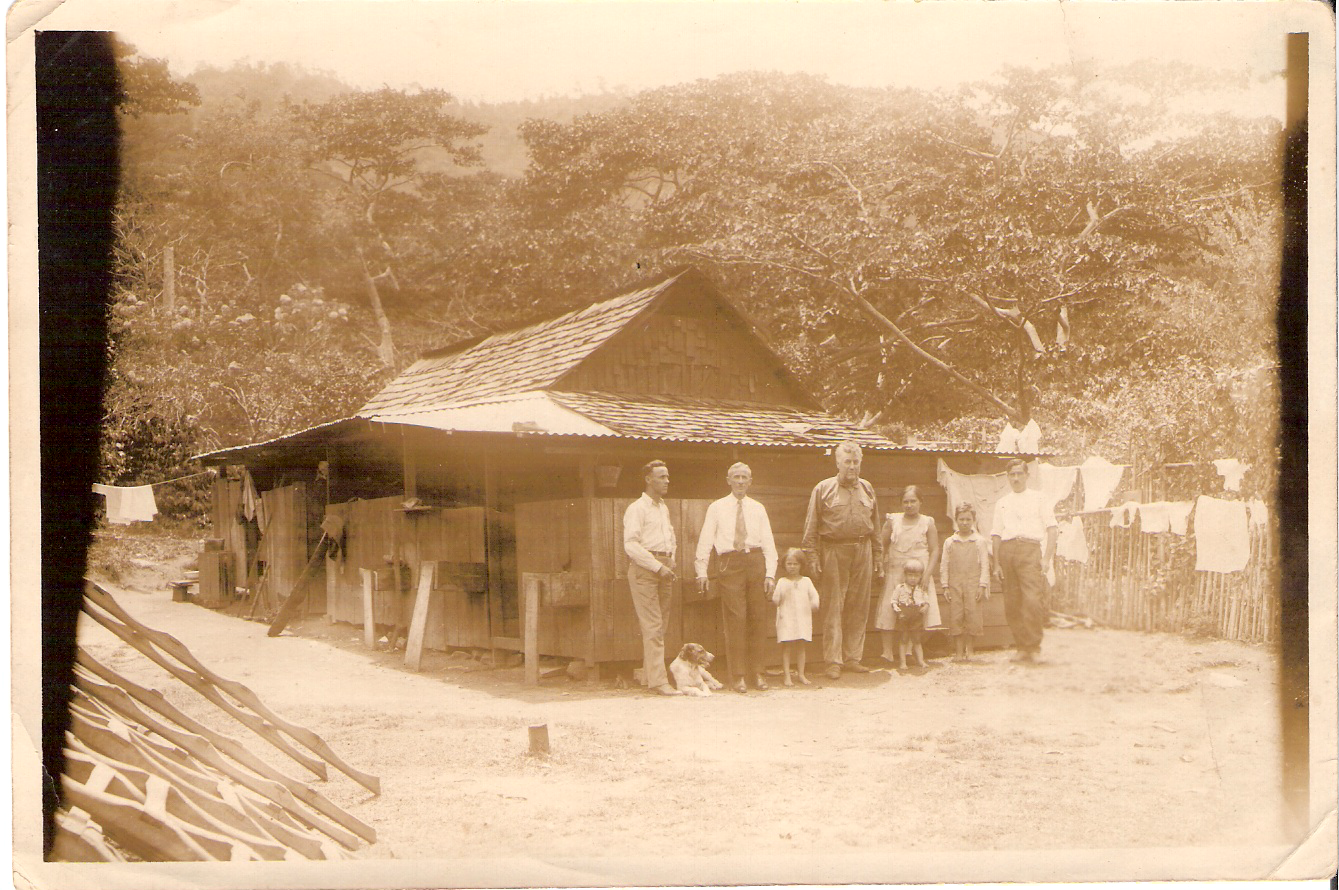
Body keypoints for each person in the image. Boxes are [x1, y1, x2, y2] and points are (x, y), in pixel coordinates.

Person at [801, 441, 883, 680]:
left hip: (863, 549)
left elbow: (875, 526)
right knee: (833, 608)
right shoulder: (823, 488)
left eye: (856, 462)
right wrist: (812, 557)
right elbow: (811, 527)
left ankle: (853, 658)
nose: (852, 466)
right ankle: (833, 661)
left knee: (859, 606)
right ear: (837, 463)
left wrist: (878, 555)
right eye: (847, 461)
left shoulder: (867, 488)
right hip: (834, 551)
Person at [695, 462, 779, 693]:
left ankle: (758, 673)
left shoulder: (758, 508)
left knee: (758, 618)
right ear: (728, 480)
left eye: (745, 477)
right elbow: (705, 540)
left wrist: (770, 574)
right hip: (730, 564)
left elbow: (769, 543)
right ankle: (739, 676)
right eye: (736, 477)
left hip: (755, 561)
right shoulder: (717, 507)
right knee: (736, 619)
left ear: (750, 482)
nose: (741, 481)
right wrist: (701, 571)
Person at [990, 458, 1058, 664]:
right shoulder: (1002, 503)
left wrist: (1046, 558)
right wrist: (996, 564)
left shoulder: (1039, 498)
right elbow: (995, 534)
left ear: (1027, 475)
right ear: (1007, 477)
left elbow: (1052, 529)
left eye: (1020, 473)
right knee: (1012, 603)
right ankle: (1021, 647)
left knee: (1032, 601)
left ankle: (1034, 648)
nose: (1016, 478)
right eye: (1012, 474)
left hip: (1030, 551)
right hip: (1007, 552)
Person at [623, 460, 681, 695]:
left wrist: (671, 558)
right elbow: (631, 545)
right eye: (661, 477)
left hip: (664, 568)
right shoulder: (637, 508)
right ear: (648, 479)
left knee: (661, 626)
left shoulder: (663, 508)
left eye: (667, 477)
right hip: (646, 571)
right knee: (653, 626)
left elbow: (670, 536)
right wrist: (657, 567)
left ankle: (649, 676)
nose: (667, 481)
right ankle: (659, 682)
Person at [874, 485, 942, 663]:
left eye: (913, 501)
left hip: (919, 575)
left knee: (916, 610)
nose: (909, 505)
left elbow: (935, 550)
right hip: (897, 572)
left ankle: (911, 652)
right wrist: (880, 567)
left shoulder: (927, 522)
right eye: (905, 501)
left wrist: (927, 575)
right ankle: (887, 652)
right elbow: (881, 546)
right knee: (890, 609)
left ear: (921, 502)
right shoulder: (893, 521)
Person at [940, 503, 990, 662]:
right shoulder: (950, 542)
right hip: (955, 584)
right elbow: (944, 565)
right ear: (956, 520)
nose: (965, 522)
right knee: (956, 616)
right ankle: (959, 652)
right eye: (961, 519)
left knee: (972, 615)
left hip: (973, 583)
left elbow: (984, 564)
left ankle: (970, 650)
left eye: (968, 519)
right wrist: (945, 586)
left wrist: (982, 585)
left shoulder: (979, 541)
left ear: (973, 520)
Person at [772, 548, 820, 686]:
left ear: (801, 565)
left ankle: (801, 674)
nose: (792, 567)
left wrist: (814, 604)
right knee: (786, 646)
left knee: (801, 646)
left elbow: (814, 596)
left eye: (795, 564)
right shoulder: (782, 581)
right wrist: (778, 596)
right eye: (789, 564)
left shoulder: (806, 581)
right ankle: (787, 675)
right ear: (784, 565)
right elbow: (775, 600)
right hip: (786, 617)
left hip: (802, 617)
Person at [890, 558, 931, 670]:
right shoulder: (900, 588)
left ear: (920, 576)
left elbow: (927, 601)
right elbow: (893, 600)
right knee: (903, 639)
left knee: (917, 640)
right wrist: (896, 607)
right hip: (904, 615)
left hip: (916, 616)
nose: (913, 578)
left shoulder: (921, 589)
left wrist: (925, 607)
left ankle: (921, 661)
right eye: (910, 575)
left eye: (916, 576)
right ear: (905, 575)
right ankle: (903, 662)